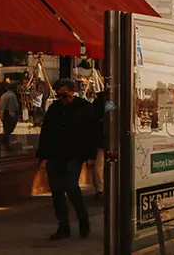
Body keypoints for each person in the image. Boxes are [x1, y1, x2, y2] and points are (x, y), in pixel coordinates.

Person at [37, 79, 99, 240]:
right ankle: (63, 226)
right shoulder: (54, 108)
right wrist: (41, 156)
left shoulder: (84, 107)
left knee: (71, 187)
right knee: (57, 192)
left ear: (72, 92)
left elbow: (92, 133)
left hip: (74, 155)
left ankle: (82, 219)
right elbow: (46, 132)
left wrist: (90, 157)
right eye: (59, 96)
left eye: (65, 95)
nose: (62, 99)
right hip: (55, 155)